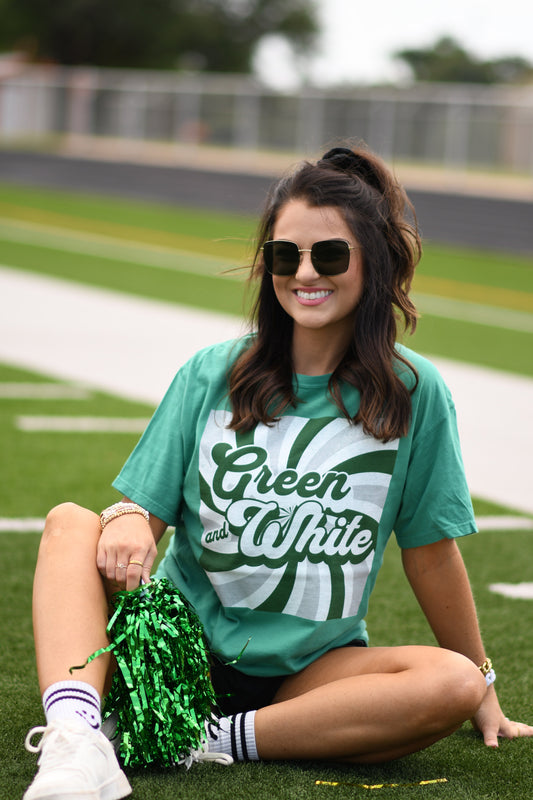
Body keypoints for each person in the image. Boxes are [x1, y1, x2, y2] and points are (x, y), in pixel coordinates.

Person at [23, 144, 532, 800]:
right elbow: (139, 518)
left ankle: (204, 738)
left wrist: (483, 685)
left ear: (372, 262)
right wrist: (125, 519)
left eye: (329, 255)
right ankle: (77, 744)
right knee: (70, 524)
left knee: (452, 683)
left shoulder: (413, 392)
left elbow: (430, 554)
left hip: (309, 673)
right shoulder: (213, 371)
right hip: (176, 650)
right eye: (284, 256)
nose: (303, 273)